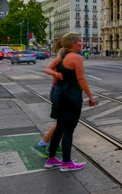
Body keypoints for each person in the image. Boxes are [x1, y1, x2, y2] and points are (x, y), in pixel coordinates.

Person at [44, 32, 96, 172]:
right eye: (79, 41)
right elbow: (81, 79)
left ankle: (51, 159)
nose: (81, 43)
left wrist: (55, 74)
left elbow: (47, 68)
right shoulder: (76, 57)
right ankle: (66, 163)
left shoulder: (62, 55)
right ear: (73, 43)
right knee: (68, 130)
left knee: (60, 128)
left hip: (59, 95)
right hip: (71, 96)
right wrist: (90, 96)